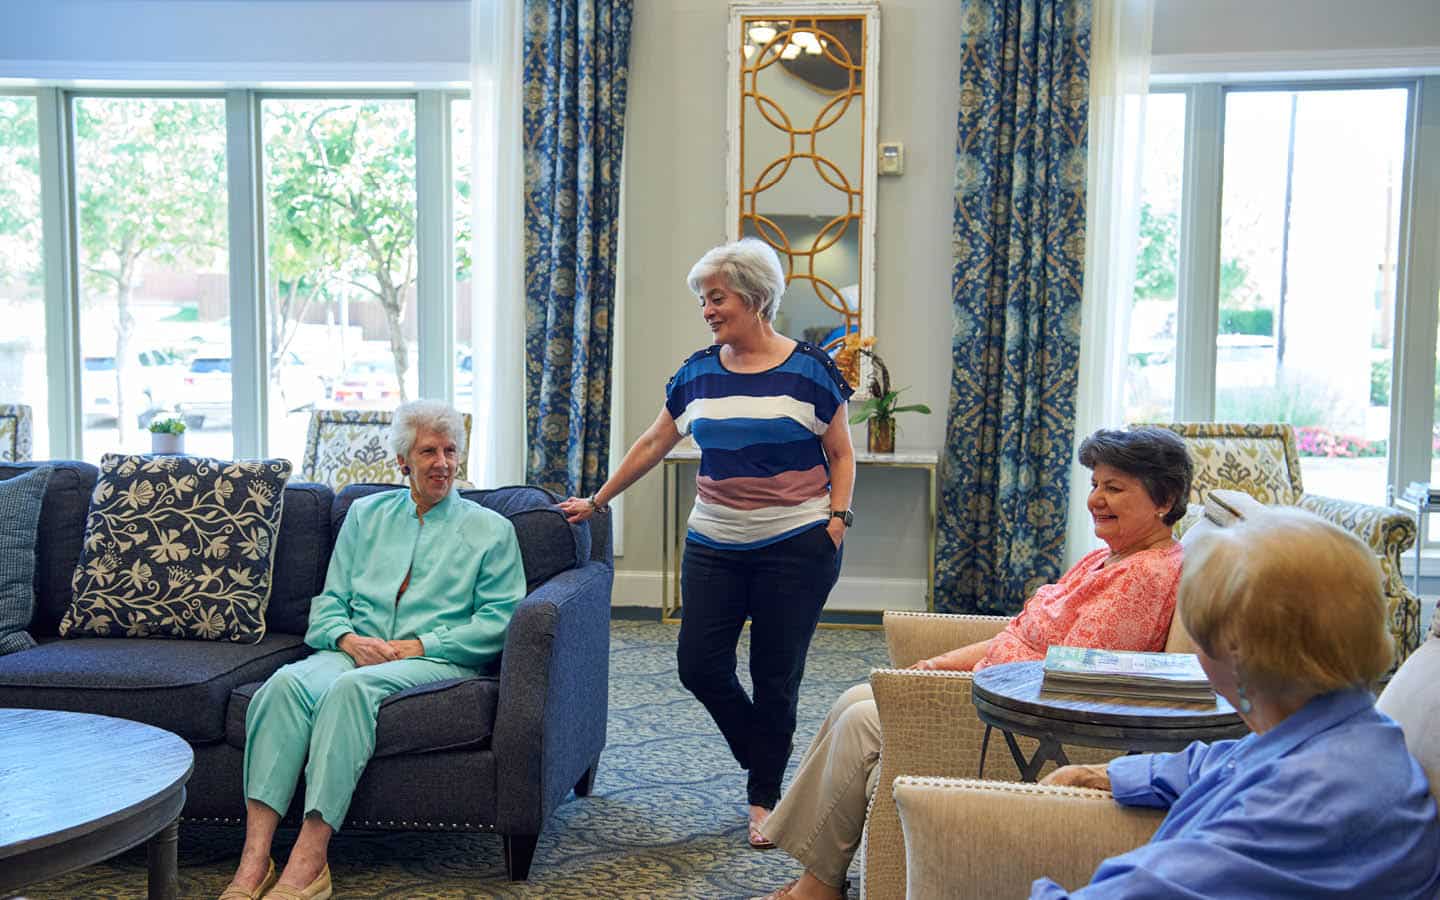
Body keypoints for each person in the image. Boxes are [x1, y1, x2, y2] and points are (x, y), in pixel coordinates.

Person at [757, 426, 1194, 900]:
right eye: (1094, 485)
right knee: (855, 701)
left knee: (865, 718)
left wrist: (957, 683)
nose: (1096, 499)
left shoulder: (1145, 577)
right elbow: (1021, 633)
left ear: (1164, 499)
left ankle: (817, 886)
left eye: (1114, 488)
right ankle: (819, 875)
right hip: (1001, 693)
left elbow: (1067, 677)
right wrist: (940, 664)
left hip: (1028, 724)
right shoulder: (1105, 559)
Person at [559, 237, 856, 849]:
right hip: (715, 542)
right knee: (698, 666)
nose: (707, 311)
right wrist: (598, 499)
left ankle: (763, 796)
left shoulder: (810, 371)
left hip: (796, 543)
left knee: (776, 675)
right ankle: (766, 755)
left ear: (752, 297)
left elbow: (841, 451)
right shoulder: (696, 373)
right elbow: (652, 442)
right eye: (703, 300)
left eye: (715, 298)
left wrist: (837, 518)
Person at [1033, 506, 1440, 898]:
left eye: (1198, 638)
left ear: (1237, 656)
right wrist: (1095, 773)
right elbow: (1222, 762)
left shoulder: (1306, 805)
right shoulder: (1342, 728)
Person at [218, 401, 527, 900]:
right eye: (428, 451)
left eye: (450, 451)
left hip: (436, 659)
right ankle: (254, 859)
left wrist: (421, 644)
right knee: (284, 686)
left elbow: (499, 621)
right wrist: (346, 639)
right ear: (403, 460)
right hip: (354, 650)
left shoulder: (492, 531)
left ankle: (310, 857)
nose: (442, 463)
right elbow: (331, 599)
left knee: (350, 692)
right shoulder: (366, 516)